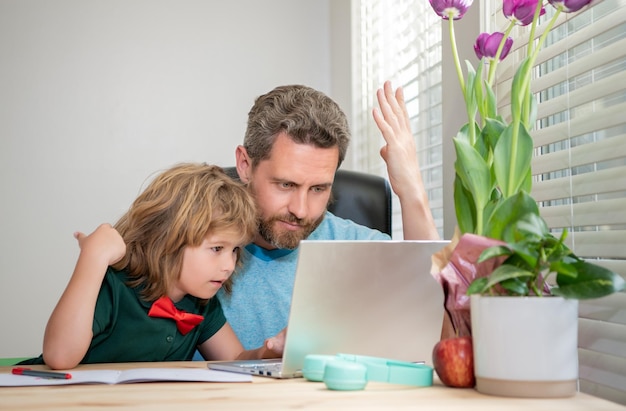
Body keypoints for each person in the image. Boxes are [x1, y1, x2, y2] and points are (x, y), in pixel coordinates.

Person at [218, 81, 439, 350]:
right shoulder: (195, 242)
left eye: (318, 189)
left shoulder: (356, 248)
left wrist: (412, 191)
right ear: (245, 165)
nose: (300, 210)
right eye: (286, 185)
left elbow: (435, 317)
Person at [20, 163, 284, 370]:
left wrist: (270, 350)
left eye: (235, 250)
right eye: (217, 249)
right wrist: (93, 259)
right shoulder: (114, 285)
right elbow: (59, 356)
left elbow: (235, 359)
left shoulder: (202, 303)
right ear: (168, 238)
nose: (228, 265)